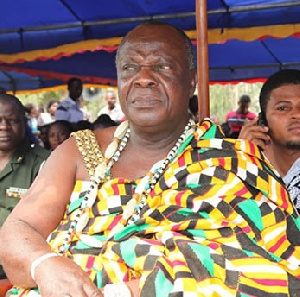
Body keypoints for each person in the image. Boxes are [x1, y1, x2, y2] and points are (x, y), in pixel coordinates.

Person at [0, 21, 300, 297]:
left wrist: (129, 290)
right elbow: (18, 229)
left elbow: (280, 270)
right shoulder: (80, 151)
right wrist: (46, 264)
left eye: (162, 66)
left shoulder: (234, 163)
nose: (144, 79)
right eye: (130, 67)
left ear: (192, 82)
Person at [0, 94, 50, 279]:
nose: (4, 127)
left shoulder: (45, 164)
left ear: (24, 121)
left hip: (17, 271)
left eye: (12, 120)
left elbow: (45, 223)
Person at [239, 69, 300, 212]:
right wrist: (239, 160)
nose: (297, 114)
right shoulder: (244, 167)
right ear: (262, 122)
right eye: (283, 108)